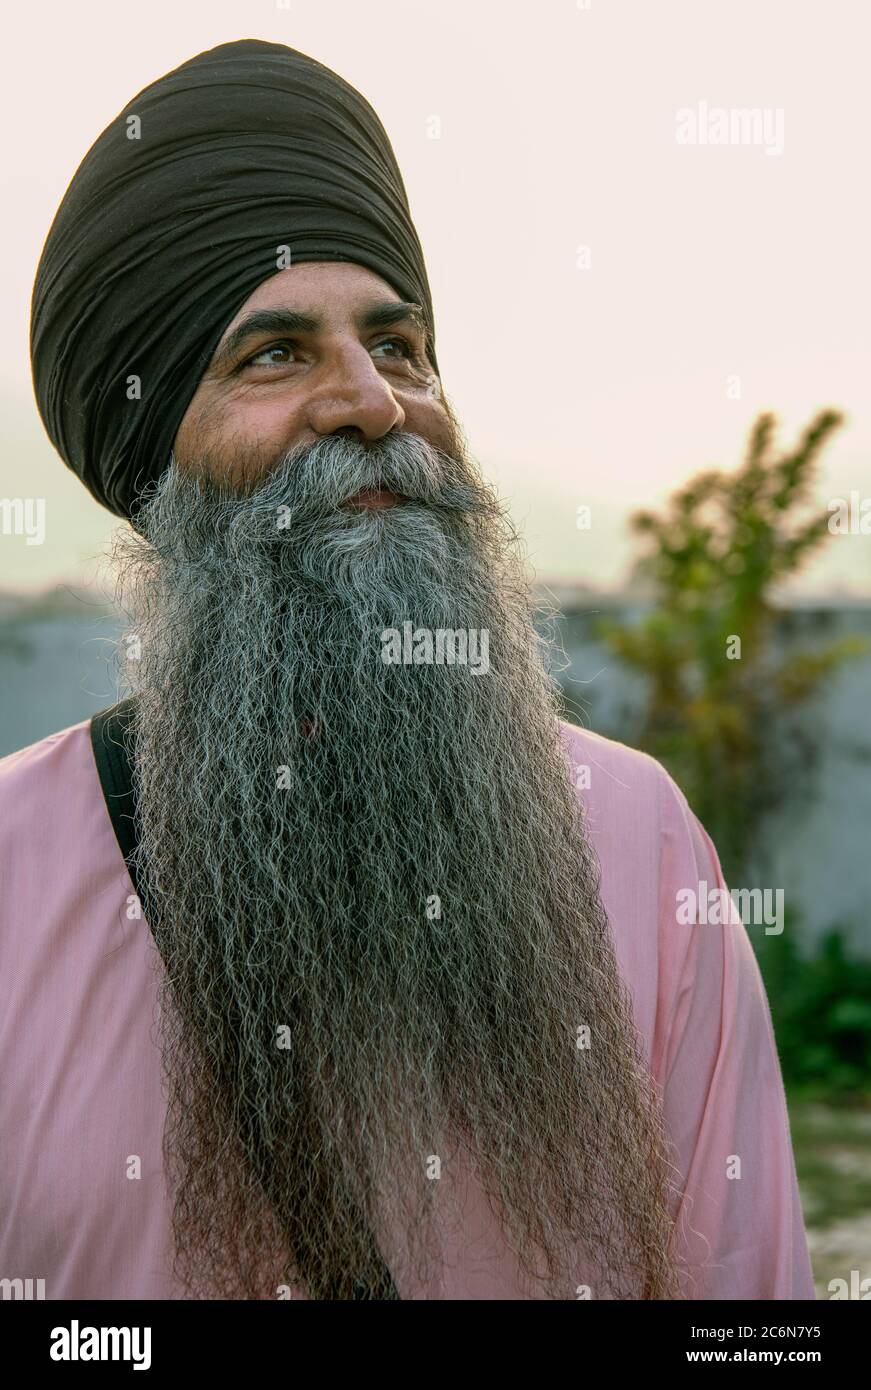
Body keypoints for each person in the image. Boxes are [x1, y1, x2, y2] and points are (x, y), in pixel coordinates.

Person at [2, 38, 814, 1301]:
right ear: (154, 463)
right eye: (275, 354)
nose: (374, 401)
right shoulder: (14, 875)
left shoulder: (640, 837)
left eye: (398, 345)